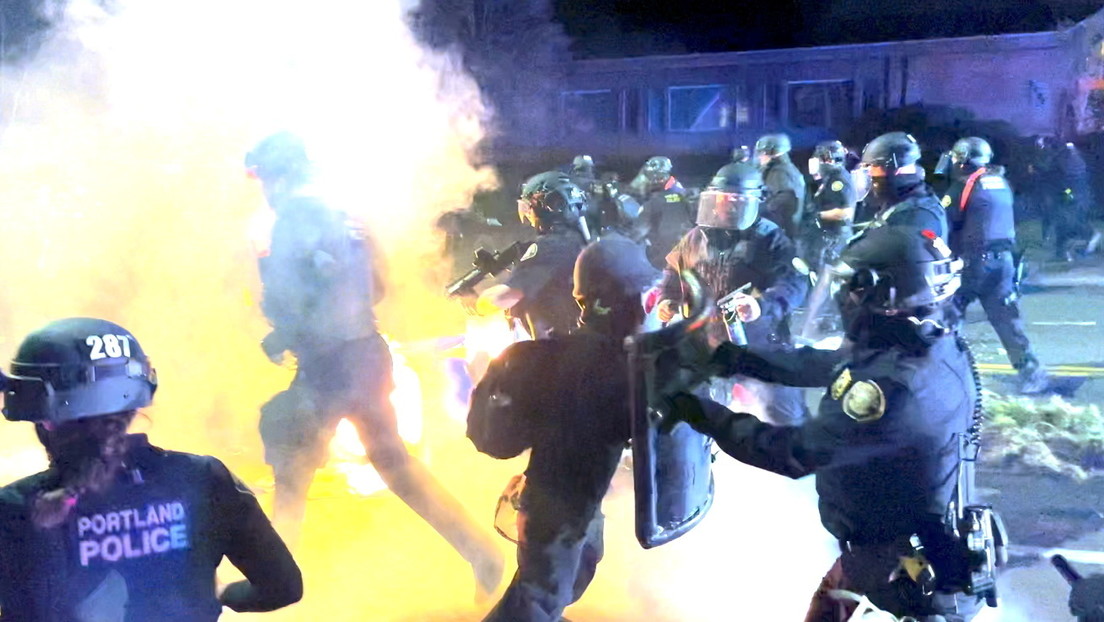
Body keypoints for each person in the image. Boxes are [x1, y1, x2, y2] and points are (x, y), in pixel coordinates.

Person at [663, 226, 987, 621]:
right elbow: (827, 364)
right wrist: (731, 358)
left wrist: (694, 410)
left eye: (851, 285)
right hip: (904, 546)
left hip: (899, 574)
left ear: (880, 293)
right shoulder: (922, 339)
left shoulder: (891, 389)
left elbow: (792, 452)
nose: (843, 295)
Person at [245, 132, 503, 593]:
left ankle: (275, 585)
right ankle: (481, 553)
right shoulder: (347, 216)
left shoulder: (294, 220)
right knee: (396, 467)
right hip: (367, 354)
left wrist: (282, 333)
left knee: (290, 470)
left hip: (329, 364)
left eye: (264, 178)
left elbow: (298, 298)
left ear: (279, 176)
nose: (264, 189)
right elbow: (379, 287)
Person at [0, 317, 303, 620]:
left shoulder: (14, 508)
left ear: (45, 420)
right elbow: (283, 586)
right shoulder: (203, 478)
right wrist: (222, 594)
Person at [468, 234, 659, 622]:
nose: (651, 306)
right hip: (552, 510)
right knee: (540, 596)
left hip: (576, 507)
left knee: (565, 577)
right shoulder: (585, 364)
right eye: (645, 296)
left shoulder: (619, 360)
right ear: (614, 301)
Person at [655, 162, 809, 425]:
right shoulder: (696, 237)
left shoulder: (770, 239)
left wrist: (762, 304)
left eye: (736, 199)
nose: (728, 205)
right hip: (707, 341)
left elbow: (794, 283)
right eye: (722, 198)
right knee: (692, 413)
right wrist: (666, 301)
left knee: (787, 416)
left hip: (758, 342)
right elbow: (672, 273)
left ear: (754, 202)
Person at [938, 137, 1049, 394]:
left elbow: (945, 225)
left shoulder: (963, 187)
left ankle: (947, 374)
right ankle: (1031, 371)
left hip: (974, 263)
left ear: (965, 159)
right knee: (1006, 320)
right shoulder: (999, 182)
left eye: (957, 157)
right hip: (1004, 262)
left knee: (948, 316)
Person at [464, 171, 591, 339]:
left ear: (545, 207)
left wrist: (475, 304)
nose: (528, 214)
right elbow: (549, 280)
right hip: (583, 344)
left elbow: (506, 297)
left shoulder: (549, 247)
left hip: (559, 351)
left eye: (528, 206)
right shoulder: (579, 242)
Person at [858, 132, 948, 238]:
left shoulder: (914, 217)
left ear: (892, 167)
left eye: (871, 165)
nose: (868, 172)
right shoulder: (903, 198)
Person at [628, 156, 693, 268]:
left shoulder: (654, 202)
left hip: (660, 261)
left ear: (656, 177)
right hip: (686, 256)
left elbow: (638, 232)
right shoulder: (685, 195)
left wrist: (625, 243)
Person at [806, 140, 857, 271]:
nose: (817, 161)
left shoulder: (839, 180)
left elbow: (845, 212)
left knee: (827, 273)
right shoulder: (830, 177)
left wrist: (817, 216)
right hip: (827, 236)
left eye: (821, 158)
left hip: (836, 237)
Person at [1051, 142, 1102, 261]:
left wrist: (1068, 194)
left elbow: (1069, 185)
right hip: (1078, 198)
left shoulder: (1070, 164)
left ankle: (1087, 239)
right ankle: (1065, 250)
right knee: (1068, 222)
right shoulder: (1078, 164)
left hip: (1075, 199)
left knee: (1069, 222)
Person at [755, 133, 806, 240]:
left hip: (782, 230)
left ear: (772, 153)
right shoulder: (787, 169)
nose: (760, 156)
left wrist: (760, 209)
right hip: (785, 228)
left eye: (762, 153)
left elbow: (785, 198)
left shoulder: (779, 171)